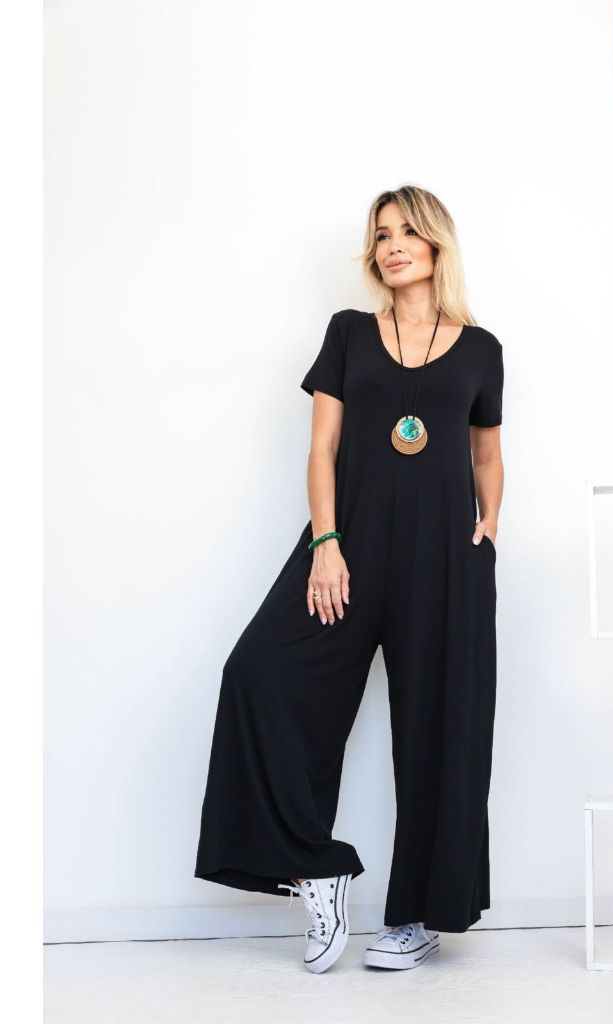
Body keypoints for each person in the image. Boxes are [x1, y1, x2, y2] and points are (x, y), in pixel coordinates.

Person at [194, 184, 504, 974]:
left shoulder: (481, 349)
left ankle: (416, 918)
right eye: (381, 234)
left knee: (437, 731)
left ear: (436, 244)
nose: (391, 245)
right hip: (349, 548)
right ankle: (316, 868)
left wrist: (489, 527)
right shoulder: (349, 333)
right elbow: (322, 448)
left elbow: (487, 452)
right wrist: (326, 543)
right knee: (256, 672)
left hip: (446, 563)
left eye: (406, 232)